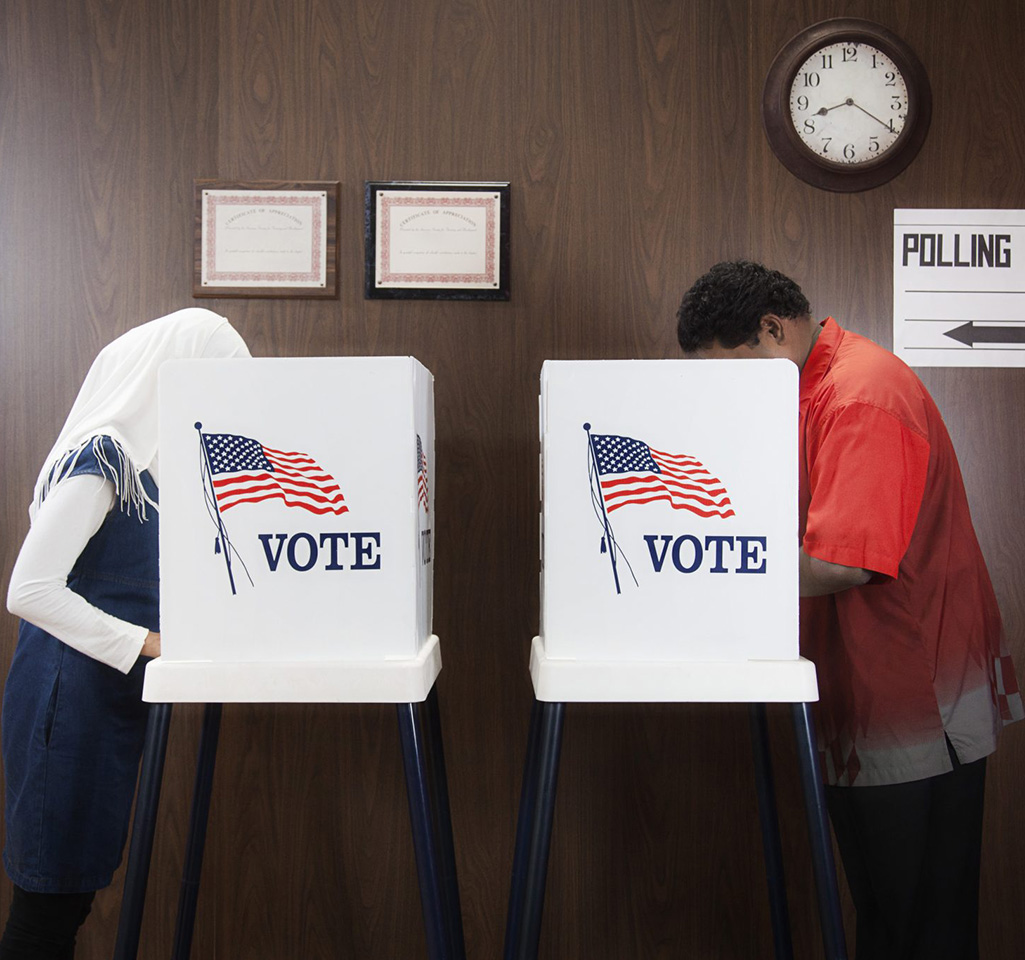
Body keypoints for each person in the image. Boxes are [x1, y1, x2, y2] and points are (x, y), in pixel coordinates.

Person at [675, 260, 1022, 960]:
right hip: (863, 682)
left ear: (771, 330)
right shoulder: (810, 390)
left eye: (726, 370)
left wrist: (703, 570)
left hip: (909, 690)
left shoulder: (859, 395)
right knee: (889, 911)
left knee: (914, 922)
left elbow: (844, 561)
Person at [1, 307, 250, 959]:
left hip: (102, 700)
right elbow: (27, 591)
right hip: (65, 701)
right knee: (49, 899)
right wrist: (152, 645)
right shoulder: (101, 463)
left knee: (73, 889)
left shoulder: (151, 475)